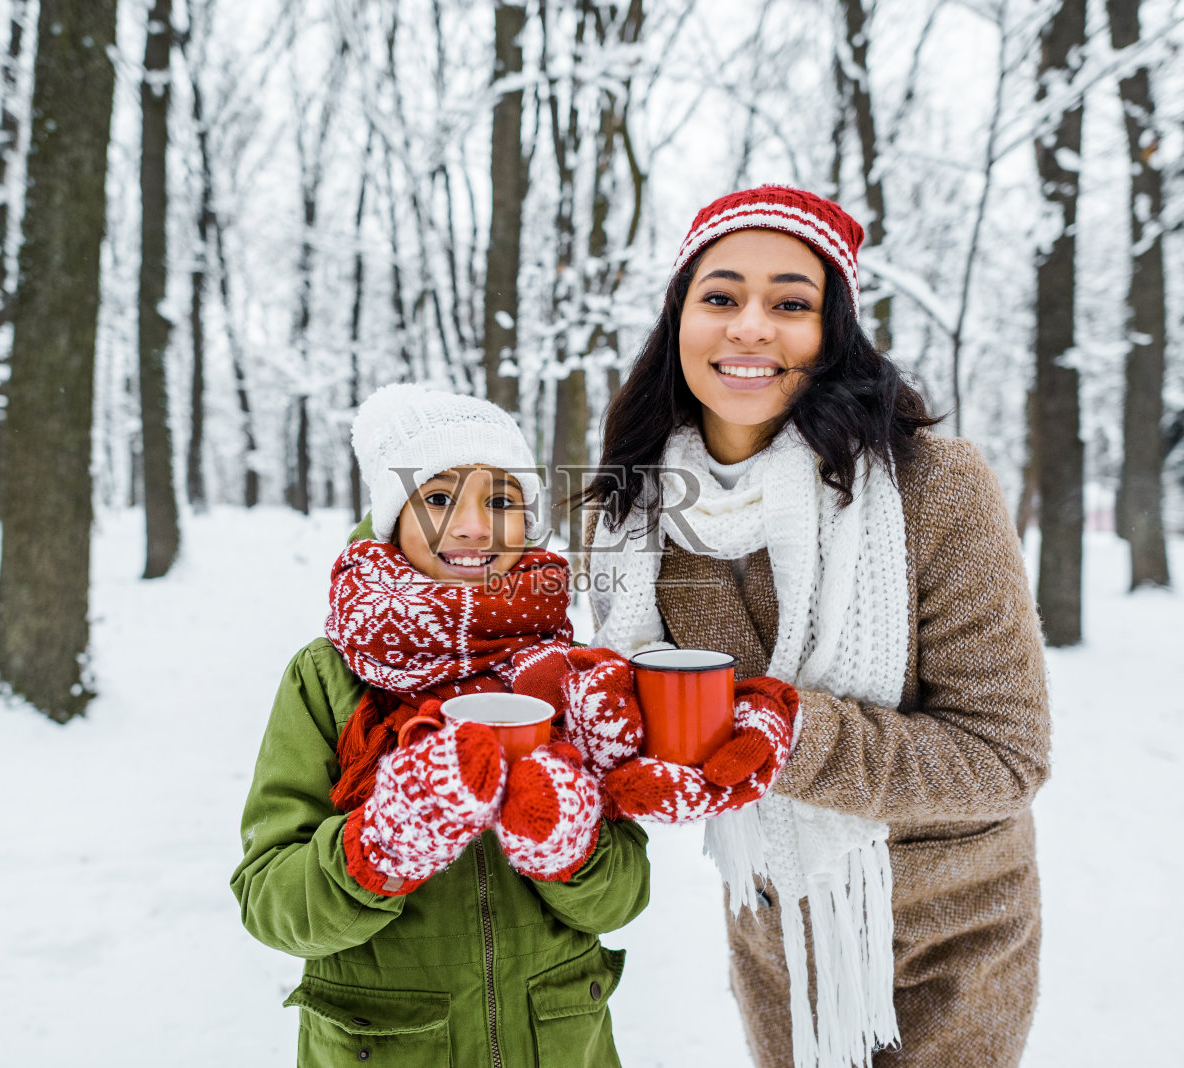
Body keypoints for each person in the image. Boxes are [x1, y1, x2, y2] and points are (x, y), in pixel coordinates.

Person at [574, 186, 1052, 1068]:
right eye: (720, 296)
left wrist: (785, 734)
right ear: (679, 317)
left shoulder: (934, 487)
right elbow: (652, 713)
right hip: (772, 917)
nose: (750, 327)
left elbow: (1005, 757)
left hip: (949, 930)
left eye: (791, 303)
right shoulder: (633, 510)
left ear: (832, 333)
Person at [231, 383, 652, 1067]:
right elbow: (271, 904)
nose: (474, 528)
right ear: (391, 520)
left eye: (502, 500)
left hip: (559, 1040)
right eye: (436, 498)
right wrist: (376, 851)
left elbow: (622, 898)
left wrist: (571, 850)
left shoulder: (570, 675)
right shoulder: (328, 679)